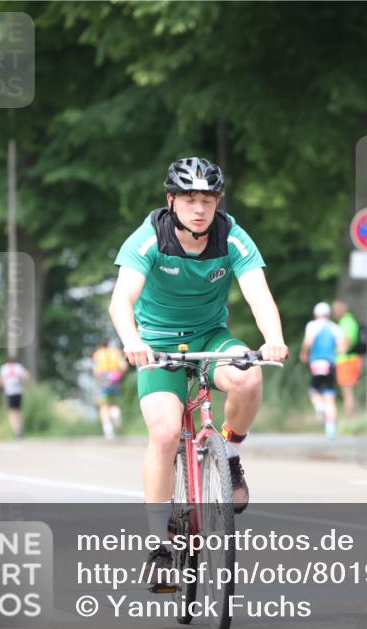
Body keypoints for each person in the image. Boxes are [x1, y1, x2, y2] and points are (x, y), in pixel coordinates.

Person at [109, 156, 289, 585]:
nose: (199, 209)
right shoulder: (149, 238)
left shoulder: (232, 236)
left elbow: (258, 295)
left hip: (210, 336)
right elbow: (121, 300)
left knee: (249, 375)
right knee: (165, 433)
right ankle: (159, 547)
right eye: (189, 199)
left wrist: (274, 338)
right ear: (171, 200)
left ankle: (231, 454)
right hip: (157, 346)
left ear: (218, 202)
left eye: (208, 200)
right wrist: (133, 341)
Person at [300, 302, 346, 439]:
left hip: (316, 362)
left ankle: (319, 406)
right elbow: (342, 347)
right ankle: (330, 428)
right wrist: (334, 354)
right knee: (330, 396)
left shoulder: (312, 325)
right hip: (330, 363)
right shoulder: (334, 327)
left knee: (314, 390)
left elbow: (308, 341)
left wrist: (304, 353)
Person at [332, 299, 364, 417]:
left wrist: (333, 352)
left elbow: (346, 343)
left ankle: (349, 418)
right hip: (348, 360)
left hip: (347, 360)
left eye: (336, 310)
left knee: (347, 391)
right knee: (348, 391)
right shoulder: (345, 321)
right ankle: (352, 416)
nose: (334, 312)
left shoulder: (347, 321)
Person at [92, 338, 128, 439]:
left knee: (103, 405)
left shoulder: (97, 354)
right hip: (115, 380)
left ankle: (108, 431)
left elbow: (95, 371)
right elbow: (124, 367)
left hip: (103, 381)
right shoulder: (116, 353)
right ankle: (115, 415)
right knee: (114, 403)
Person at [0, 357, 31, 438]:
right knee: (18, 411)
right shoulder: (18, 367)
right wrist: (25, 384)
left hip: (10, 392)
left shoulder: (4, 368)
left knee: (12, 412)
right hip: (18, 391)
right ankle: (20, 429)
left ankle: (16, 430)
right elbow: (27, 376)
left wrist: (2, 387)